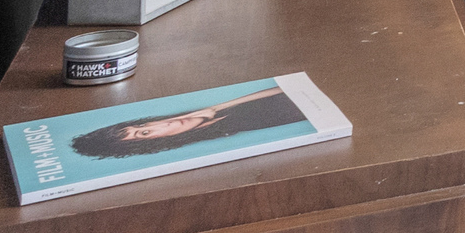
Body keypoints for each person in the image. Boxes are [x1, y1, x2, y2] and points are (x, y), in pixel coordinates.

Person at [69, 83, 304, 161]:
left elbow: (284, 89)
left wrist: (215, 108)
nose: (162, 124)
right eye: (144, 135)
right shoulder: (226, 133)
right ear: (151, 145)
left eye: (141, 127)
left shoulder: (213, 110)